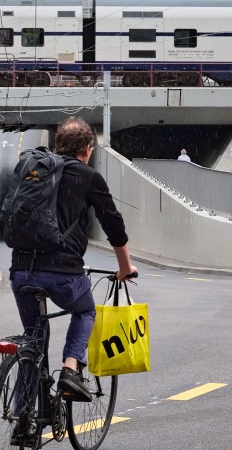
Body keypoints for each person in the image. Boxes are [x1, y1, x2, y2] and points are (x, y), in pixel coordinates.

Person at [9, 117, 137, 407]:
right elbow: (113, 225)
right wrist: (125, 268)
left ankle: (23, 417)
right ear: (87, 150)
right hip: (63, 273)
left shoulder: (35, 172)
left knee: (34, 338)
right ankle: (70, 368)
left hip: (21, 271)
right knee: (85, 311)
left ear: (58, 145)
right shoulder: (88, 177)